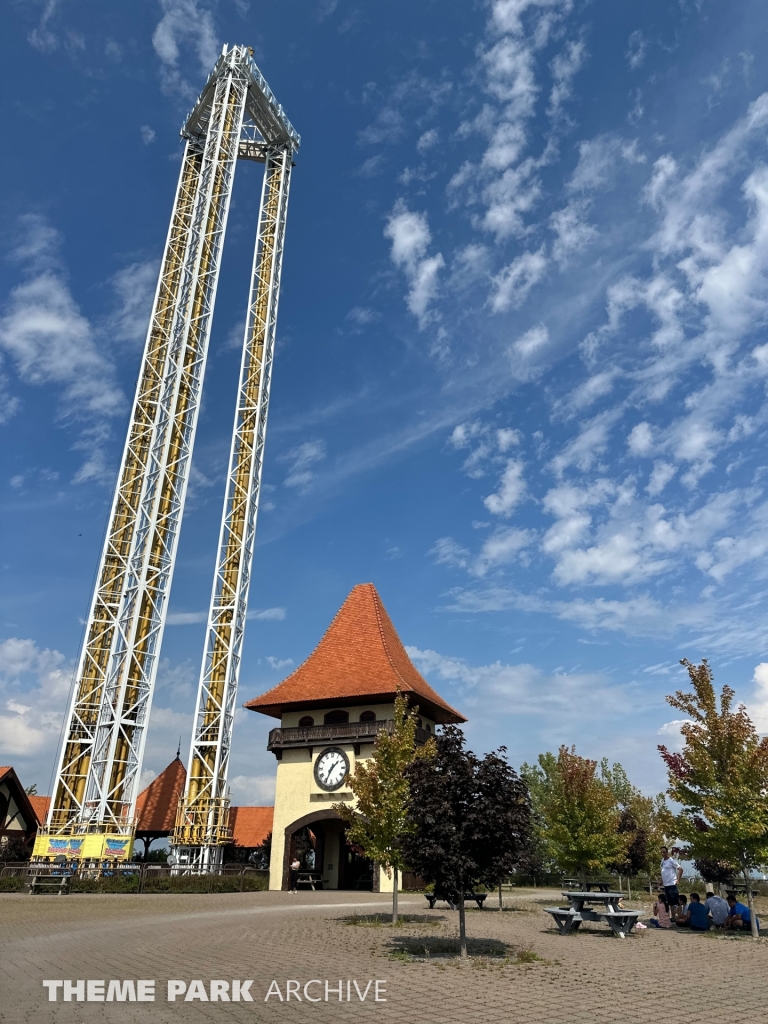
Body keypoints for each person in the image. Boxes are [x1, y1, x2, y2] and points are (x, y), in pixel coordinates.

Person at [660, 846, 683, 917]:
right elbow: (663, 871)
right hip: (666, 884)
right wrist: (661, 880)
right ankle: (673, 917)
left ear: (667, 852)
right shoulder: (662, 861)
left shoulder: (671, 860)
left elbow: (680, 869)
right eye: (661, 852)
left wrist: (678, 879)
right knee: (670, 902)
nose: (663, 854)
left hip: (672, 883)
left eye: (664, 852)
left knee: (676, 902)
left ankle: (680, 916)